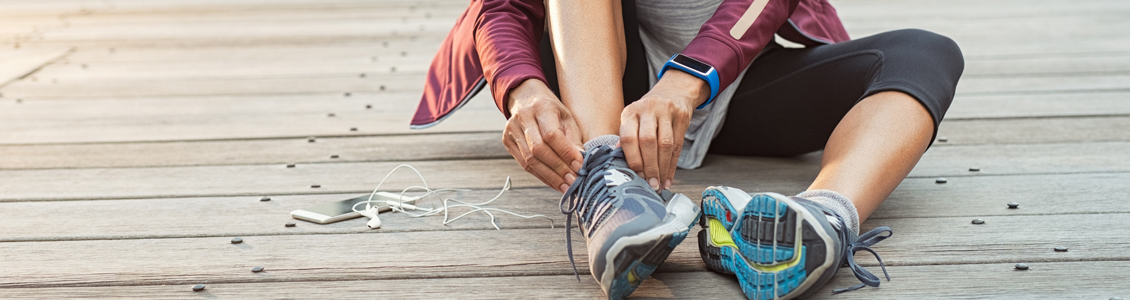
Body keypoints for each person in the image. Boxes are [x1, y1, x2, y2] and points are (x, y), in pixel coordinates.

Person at [413, 0, 964, 299]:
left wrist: (688, 80)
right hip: (606, 95)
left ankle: (825, 218)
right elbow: (500, 7)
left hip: (734, 83)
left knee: (925, 52)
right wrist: (521, 87)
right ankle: (609, 185)